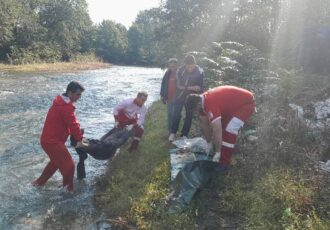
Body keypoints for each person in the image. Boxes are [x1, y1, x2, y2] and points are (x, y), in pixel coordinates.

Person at [32, 81, 87, 193]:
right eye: (77, 94)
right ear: (69, 92)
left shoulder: (60, 102)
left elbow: (66, 123)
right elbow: (73, 125)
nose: (79, 97)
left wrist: (77, 132)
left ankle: (37, 184)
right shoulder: (65, 107)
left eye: (80, 95)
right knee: (70, 166)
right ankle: (68, 191)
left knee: (55, 163)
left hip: (48, 140)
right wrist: (80, 139)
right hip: (52, 142)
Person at [185, 85, 256, 168]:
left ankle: (224, 162)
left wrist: (218, 152)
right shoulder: (202, 102)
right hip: (233, 106)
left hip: (246, 104)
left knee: (229, 129)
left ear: (198, 104)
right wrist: (209, 143)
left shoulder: (210, 102)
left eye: (195, 109)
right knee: (222, 128)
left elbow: (217, 129)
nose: (195, 112)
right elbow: (204, 124)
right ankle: (222, 151)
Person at [168, 54, 204, 141]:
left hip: (192, 96)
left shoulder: (200, 71)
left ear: (195, 64)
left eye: (191, 66)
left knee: (189, 115)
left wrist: (194, 89)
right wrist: (191, 87)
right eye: (188, 67)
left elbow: (200, 87)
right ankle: (173, 133)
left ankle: (184, 134)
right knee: (176, 114)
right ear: (185, 65)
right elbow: (179, 85)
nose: (190, 68)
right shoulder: (180, 70)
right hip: (180, 95)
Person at [160, 58, 178, 134]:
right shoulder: (167, 73)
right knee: (170, 114)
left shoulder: (180, 73)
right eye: (170, 66)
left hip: (177, 98)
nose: (172, 68)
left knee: (175, 114)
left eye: (173, 66)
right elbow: (163, 84)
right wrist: (162, 95)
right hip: (169, 98)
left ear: (176, 65)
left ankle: (174, 131)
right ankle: (169, 130)